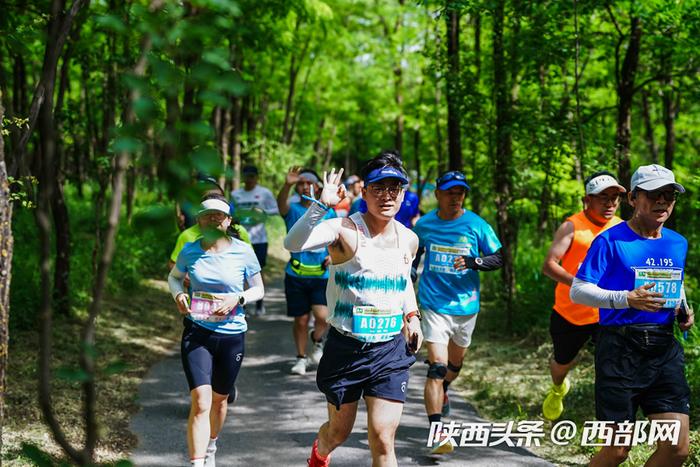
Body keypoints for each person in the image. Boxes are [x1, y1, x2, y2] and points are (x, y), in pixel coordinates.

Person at [284, 150, 423, 467]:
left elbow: (402, 284)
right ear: (364, 191)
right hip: (346, 348)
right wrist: (322, 205)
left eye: (394, 188)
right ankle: (320, 454)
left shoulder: (410, 240)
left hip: (389, 350)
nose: (386, 196)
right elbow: (292, 243)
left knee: (383, 440)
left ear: (402, 193)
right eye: (378, 187)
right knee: (338, 433)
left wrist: (412, 317)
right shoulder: (343, 229)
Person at [570, 164, 693, 467]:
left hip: (663, 349)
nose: (663, 201)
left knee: (676, 448)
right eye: (654, 194)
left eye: (669, 194)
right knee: (617, 450)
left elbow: (673, 283)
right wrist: (626, 299)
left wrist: (682, 310)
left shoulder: (677, 242)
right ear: (634, 198)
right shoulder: (611, 241)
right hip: (620, 350)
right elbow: (578, 290)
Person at [168, 197, 264, 467]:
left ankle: (211, 445)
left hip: (232, 335)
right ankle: (197, 462)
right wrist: (178, 295)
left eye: (219, 216)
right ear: (199, 220)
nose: (213, 219)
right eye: (207, 215)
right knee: (201, 401)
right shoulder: (189, 250)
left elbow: (259, 289)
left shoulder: (243, 251)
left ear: (228, 221)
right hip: (198, 332)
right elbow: (174, 276)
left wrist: (239, 299)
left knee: (220, 402)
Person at [412, 170, 502, 454]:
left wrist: (474, 261)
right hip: (433, 304)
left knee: (454, 366)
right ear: (438, 194)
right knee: (436, 367)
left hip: (465, 306)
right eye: (450, 192)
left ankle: (446, 389)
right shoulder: (424, 225)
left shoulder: (476, 224)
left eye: (460, 192)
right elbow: (413, 254)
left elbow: (498, 257)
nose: (455, 197)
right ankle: (438, 433)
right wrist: (410, 276)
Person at [540, 171, 626, 421]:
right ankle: (557, 388)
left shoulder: (621, 227)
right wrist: (581, 285)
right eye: (603, 198)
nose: (610, 203)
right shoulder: (572, 226)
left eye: (615, 198)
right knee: (561, 363)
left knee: (611, 368)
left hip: (606, 313)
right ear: (587, 200)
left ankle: (610, 421)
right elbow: (549, 265)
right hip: (571, 311)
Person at [277, 167, 336, 375]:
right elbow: (281, 205)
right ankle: (301, 358)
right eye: (300, 183)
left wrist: (333, 255)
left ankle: (317, 340)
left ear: (318, 187)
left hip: (322, 275)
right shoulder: (293, 210)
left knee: (323, 317)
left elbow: (338, 238)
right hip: (296, 275)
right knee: (301, 319)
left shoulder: (329, 211)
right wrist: (286, 184)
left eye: (308, 183)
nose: (304, 186)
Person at [231, 164, 279, 315]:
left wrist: (262, 212)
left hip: (259, 238)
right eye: (247, 176)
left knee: (258, 270)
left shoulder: (264, 193)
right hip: (239, 237)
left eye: (252, 176)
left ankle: (260, 303)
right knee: (239, 272)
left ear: (257, 177)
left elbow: (276, 209)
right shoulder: (235, 194)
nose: (249, 179)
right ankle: (242, 303)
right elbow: (229, 211)